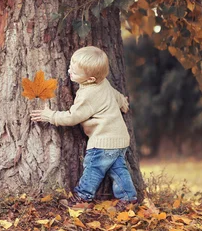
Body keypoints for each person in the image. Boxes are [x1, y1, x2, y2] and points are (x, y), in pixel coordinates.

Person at [30, 46, 137, 209]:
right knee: (118, 170)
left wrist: (50, 116)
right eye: (71, 66)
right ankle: (129, 198)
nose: (69, 70)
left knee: (93, 169)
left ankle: (83, 198)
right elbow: (115, 95)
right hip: (119, 139)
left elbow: (73, 116)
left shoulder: (88, 94)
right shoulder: (104, 83)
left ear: (91, 79)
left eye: (75, 71)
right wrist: (123, 103)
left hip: (103, 141)